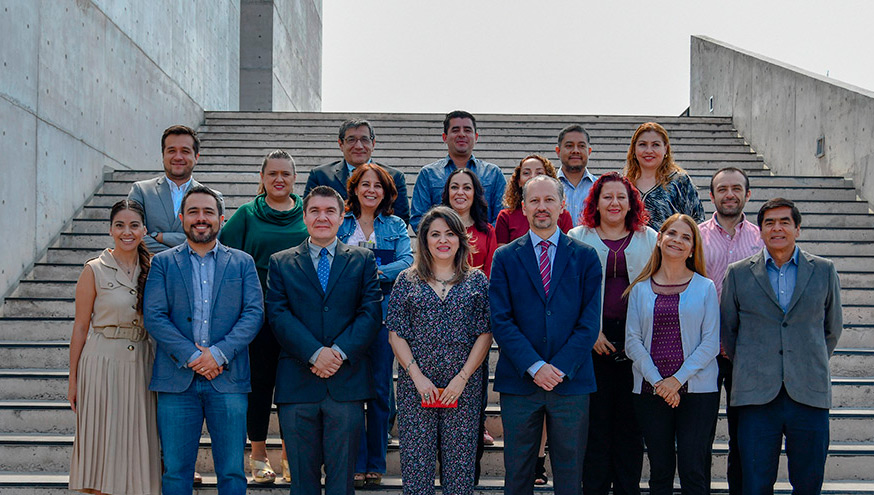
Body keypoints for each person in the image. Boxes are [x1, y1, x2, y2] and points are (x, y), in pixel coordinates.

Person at [144, 185, 264, 495]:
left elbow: (253, 314)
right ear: (181, 218)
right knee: (175, 472)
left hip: (229, 380)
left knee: (232, 471)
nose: (201, 218)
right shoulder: (163, 263)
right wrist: (193, 356)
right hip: (176, 381)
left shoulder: (242, 262)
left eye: (208, 212)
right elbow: (154, 316)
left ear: (221, 219)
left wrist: (219, 354)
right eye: (193, 212)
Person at [265, 185, 383, 495]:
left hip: (346, 384)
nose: (322, 217)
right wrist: (315, 353)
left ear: (342, 216)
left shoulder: (363, 260)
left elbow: (370, 313)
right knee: (301, 482)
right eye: (314, 211)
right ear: (304, 216)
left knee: (342, 482)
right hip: (297, 383)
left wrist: (338, 353)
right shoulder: (280, 262)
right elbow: (278, 314)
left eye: (330, 211)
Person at [721, 198, 842, 495]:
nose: (777, 228)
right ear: (760, 231)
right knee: (755, 484)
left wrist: (806, 359)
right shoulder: (738, 273)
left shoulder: (824, 270)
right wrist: (754, 363)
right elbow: (728, 330)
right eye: (769, 223)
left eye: (785, 222)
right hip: (756, 395)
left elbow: (832, 328)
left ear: (797, 229)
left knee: (809, 482)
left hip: (809, 392)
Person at [490, 175, 602, 495]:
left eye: (549, 200)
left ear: (562, 205)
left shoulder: (585, 256)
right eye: (535, 201)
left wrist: (559, 367)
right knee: (518, 474)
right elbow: (501, 320)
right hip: (520, 382)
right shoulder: (505, 257)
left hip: (571, 383)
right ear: (523, 208)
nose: (542, 207)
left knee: (570, 475)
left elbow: (589, 323)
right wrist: (536, 366)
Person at [386, 206, 492, 495]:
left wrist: (462, 378)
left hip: (463, 388)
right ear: (424, 240)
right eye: (435, 234)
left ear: (460, 239)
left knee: (459, 474)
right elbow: (396, 334)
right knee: (416, 472)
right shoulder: (406, 280)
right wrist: (418, 378)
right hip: (417, 388)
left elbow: (485, 333)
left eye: (450, 233)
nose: (443, 240)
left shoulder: (477, 281)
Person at [219, 149, 308, 484]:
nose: (279, 179)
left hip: (299, 316)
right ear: (262, 177)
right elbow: (224, 258)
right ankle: (258, 455)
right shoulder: (246, 214)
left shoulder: (307, 213)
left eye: (285, 173)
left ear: (294, 178)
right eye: (272, 173)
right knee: (259, 386)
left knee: (292, 387)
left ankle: (289, 455)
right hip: (257, 315)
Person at [568, 172, 657, 495]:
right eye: (607, 197)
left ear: (632, 203)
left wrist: (639, 340)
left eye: (621, 197)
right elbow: (567, 294)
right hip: (592, 342)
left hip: (638, 344)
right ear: (596, 202)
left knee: (630, 430)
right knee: (596, 427)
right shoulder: (577, 237)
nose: (614, 203)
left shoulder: (650, 238)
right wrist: (591, 333)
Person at [68, 200, 160, 495]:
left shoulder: (154, 269)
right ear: (110, 230)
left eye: (134, 225)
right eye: (119, 225)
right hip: (101, 362)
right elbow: (80, 327)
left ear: (144, 230)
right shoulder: (94, 269)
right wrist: (73, 379)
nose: (127, 232)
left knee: (136, 443)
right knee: (103, 445)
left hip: (142, 363)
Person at [624, 213, 720, 495]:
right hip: (649, 390)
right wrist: (659, 382)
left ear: (692, 249)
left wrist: (676, 381)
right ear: (659, 240)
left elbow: (710, 343)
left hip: (698, 392)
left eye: (686, 237)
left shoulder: (705, 287)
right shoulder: (640, 289)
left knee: (693, 469)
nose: (677, 240)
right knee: (660, 470)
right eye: (672, 234)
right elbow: (632, 342)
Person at [336, 163, 413, 487]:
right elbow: (332, 256)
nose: (371, 190)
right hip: (346, 313)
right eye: (365, 184)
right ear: (354, 188)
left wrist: (370, 270)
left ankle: (376, 461)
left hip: (383, 311)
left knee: (381, 388)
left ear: (386, 192)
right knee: (352, 389)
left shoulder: (395, 224)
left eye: (378, 185)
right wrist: (369, 268)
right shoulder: (341, 222)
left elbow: (407, 260)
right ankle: (355, 460)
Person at [697, 166, 763, 495]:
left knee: (744, 436)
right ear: (712, 196)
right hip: (703, 349)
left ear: (747, 195)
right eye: (722, 189)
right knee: (700, 435)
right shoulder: (695, 236)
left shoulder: (762, 237)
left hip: (747, 351)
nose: (729, 194)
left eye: (736, 188)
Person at [128, 124, 224, 254]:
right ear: (163, 155)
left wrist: (161, 237)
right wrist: (180, 254)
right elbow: (133, 235)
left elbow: (212, 239)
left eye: (185, 151)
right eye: (172, 151)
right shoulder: (141, 191)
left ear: (196, 157)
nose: (178, 157)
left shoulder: (213, 197)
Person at [410, 110, 507, 231]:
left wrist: (480, 237)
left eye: (467, 130)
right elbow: (419, 219)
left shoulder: (493, 173)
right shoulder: (428, 174)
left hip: (485, 241)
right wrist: (446, 236)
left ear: (476, 137)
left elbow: (502, 218)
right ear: (445, 137)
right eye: (455, 130)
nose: (461, 134)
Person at [305, 119, 410, 224]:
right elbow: (308, 214)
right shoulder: (320, 176)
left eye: (364, 139)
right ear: (341, 144)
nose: (359, 146)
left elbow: (401, 220)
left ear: (373, 144)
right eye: (351, 140)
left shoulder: (394, 177)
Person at [623, 122, 704, 230]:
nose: (649, 151)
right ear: (634, 149)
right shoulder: (624, 184)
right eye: (642, 144)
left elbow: (697, 222)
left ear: (665, 149)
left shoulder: (680, 182)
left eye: (655, 145)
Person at [495, 154, 573, 245]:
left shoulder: (562, 215)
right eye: (526, 173)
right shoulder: (505, 217)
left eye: (539, 173)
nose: (533, 177)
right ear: (519, 181)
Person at [441, 168, 497, 277]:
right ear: (448, 192)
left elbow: (491, 273)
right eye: (454, 187)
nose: (460, 192)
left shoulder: (487, 232)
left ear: (474, 193)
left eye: (467, 188)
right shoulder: (436, 230)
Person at [555, 125, 597, 227]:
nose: (575, 151)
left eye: (581, 146)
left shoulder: (600, 187)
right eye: (569, 146)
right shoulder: (547, 187)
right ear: (558, 151)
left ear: (589, 151)